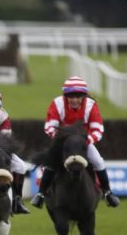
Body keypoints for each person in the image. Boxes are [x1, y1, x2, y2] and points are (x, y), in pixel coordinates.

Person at [31, 76, 120, 208]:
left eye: (78, 97)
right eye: (70, 96)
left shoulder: (91, 105)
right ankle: (41, 194)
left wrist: (85, 141)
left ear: (83, 96)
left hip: (84, 143)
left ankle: (108, 192)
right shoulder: (57, 103)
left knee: (98, 161)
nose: (74, 100)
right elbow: (49, 127)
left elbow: (98, 129)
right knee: (51, 163)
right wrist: (62, 139)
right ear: (65, 95)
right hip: (62, 143)